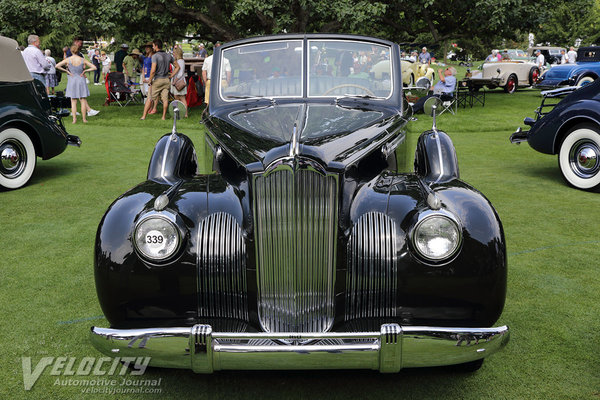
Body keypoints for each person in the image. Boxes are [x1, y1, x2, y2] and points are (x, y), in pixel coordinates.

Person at [55, 44, 97, 123]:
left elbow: (57, 65)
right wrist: (85, 71)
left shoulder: (68, 59)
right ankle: (84, 119)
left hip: (72, 80)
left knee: (73, 101)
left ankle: (74, 120)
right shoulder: (82, 59)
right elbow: (94, 67)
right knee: (83, 100)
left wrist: (67, 71)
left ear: (71, 51)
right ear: (78, 51)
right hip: (81, 79)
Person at [141, 39, 179, 120]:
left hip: (158, 80)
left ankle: (143, 116)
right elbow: (177, 67)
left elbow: (153, 70)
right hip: (166, 80)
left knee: (149, 98)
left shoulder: (155, 56)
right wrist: (171, 75)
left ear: (156, 46)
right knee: (165, 99)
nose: (153, 47)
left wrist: (150, 80)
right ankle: (163, 117)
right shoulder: (169, 55)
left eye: (153, 46)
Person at [170, 47, 188, 118]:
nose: (173, 54)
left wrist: (174, 81)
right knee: (177, 97)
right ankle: (178, 113)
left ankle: (185, 114)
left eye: (174, 53)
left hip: (179, 82)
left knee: (182, 98)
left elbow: (180, 73)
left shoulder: (180, 61)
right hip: (177, 81)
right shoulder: (178, 61)